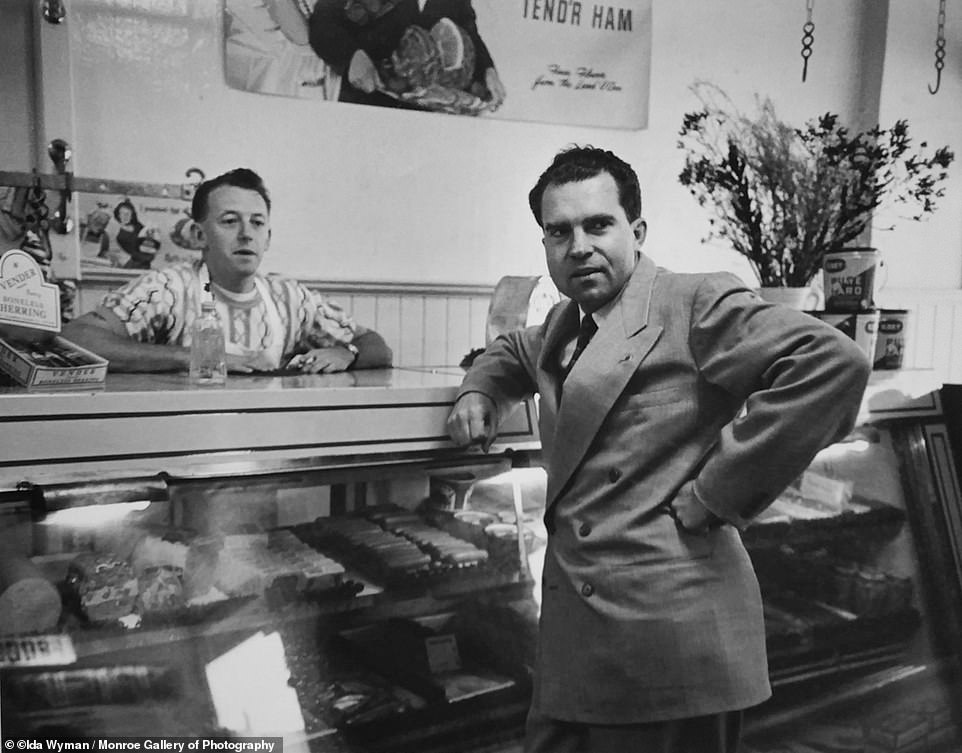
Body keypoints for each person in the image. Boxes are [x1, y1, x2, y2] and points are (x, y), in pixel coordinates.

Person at [446, 146, 871, 753]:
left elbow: (833, 363)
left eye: (599, 225)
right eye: (558, 231)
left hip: (668, 640)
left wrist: (718, 493)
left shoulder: (692, 301)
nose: (579, 246)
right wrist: (480, 390)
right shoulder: (567, 324)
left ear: (636, 231)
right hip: (580, 636)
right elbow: (513, 351)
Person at [62, 168, 392, 374]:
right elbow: (75, 338)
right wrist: (190, 357)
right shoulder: (168, 289)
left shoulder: (290, 297)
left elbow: (378, 346)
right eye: (230, 221)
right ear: (198, 234)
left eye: (257, 223)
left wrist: (346, 352)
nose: (247, 234)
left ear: (268, 238)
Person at [308, 0, 506, 111]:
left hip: (431, 114)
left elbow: (465, 26)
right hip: (366, 107)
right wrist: (351, 56)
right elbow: (323, 21)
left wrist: (487, 69)